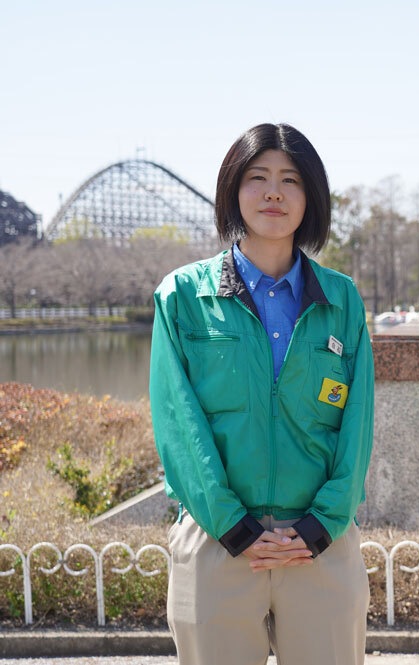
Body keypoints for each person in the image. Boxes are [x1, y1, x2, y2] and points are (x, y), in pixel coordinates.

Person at [149, 123, 373, 665]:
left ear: (311, 198)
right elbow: (178, 423)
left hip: (318, 546)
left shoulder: (341, 299)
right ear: (232, 190)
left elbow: (357, 424)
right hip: (217, 541)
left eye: (290, 179)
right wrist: (233, 525)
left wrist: (321, 526)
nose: (274, 192)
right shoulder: (183, 297)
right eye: (258, 177)